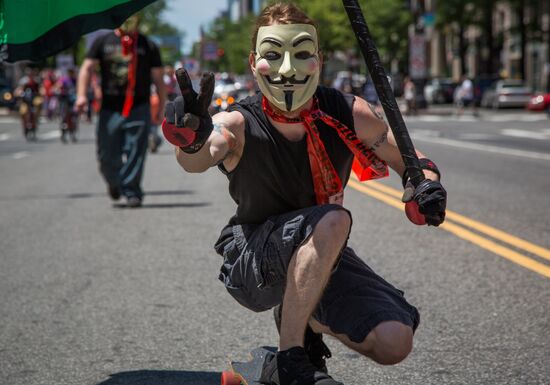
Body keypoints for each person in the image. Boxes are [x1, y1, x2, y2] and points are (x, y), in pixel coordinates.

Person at [162, 4, 447, 385]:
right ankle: (292, 359)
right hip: (252, 261)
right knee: (333, 219)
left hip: (320, 255)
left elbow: (410, 160)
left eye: (301, 53)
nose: (287, 68)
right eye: (273, 55)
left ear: (319, 59)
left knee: (395, 341)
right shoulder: (238, 122)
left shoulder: (347, 112)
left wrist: (426, 183)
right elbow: (196, 159)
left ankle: (290, 337)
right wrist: (191, 138)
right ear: (253, 61)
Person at [76, 14, 166, 207]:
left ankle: (132, 190)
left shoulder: (147, 45)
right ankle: (115, 182)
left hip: (139, 106)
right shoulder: (103, 41)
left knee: (136, 151)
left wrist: (161, 106)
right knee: (106, 154)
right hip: (110, 108)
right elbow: (87, 68)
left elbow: (158, 78)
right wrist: (82, 95)